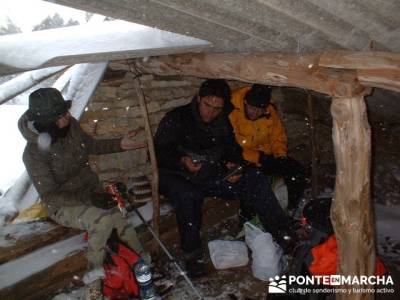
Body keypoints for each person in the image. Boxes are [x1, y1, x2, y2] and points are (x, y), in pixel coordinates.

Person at [154, 79, 296, 276]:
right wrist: (182, 160)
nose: (210, 112)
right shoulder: (177, 118)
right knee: (189, 195)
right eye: (207, 105)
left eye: (217, 108)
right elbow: (158, 154)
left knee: (253, 176)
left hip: (208, 173)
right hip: (175, 175)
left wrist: (233, 166)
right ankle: (192, 255)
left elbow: (232, 150)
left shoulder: (221, 121)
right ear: (198, 98)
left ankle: (282, 233)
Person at [19, 88, 149, 300]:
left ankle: (144, 268)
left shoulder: (71, 126)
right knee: (102, 221)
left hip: (91, 191)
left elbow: (90, 145)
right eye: (61, 115)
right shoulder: (33, 153)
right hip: (62, 205)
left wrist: (119, 144)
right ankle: (94, 283)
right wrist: (88, 198)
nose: (68, 116)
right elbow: (50, 195)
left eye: (65, 111)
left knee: (118, 216)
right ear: (48, 122)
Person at [229, 84, 307, 213]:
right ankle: (247, 219)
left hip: (266, 157)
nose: (255, 112)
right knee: (254, 181)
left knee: (297, 172)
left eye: (260, 109)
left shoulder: (269, 111)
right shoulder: (232, 112)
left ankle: (290, 210)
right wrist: (258, 157)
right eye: (252, 108)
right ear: (245, 102)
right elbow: (231, 147)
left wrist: (280, 155)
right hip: (242, 159)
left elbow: (278, 136)